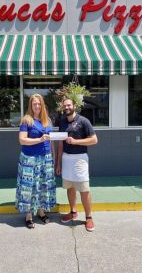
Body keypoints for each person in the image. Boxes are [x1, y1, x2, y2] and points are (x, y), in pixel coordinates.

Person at [56, 98, 98, 232]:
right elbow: (61, 143)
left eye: (69, 105)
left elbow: (94, 140)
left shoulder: (84, 121)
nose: (67, 107)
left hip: (80, 160)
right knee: (70, 188)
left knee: (84, 190)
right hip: (66, 159)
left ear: (74, 106)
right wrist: (58, 163)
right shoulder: (62, 123)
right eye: (65, 105)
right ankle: (73, 212)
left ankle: (89, 217)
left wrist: (75, 142)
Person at [15, 94, 56, 229]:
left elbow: (50, 141)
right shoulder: (26, 120)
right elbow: (22, 140)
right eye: (34, 104)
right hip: (30, 159)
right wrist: (39, 140)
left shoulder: (47, 121)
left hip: (46, 158)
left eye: (39, 103)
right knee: (30, 186)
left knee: (43, 185)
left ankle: (41, 211)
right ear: (31, 106)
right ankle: (28, 215)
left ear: (42, 105)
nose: (37, 106)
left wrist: (53, 156)